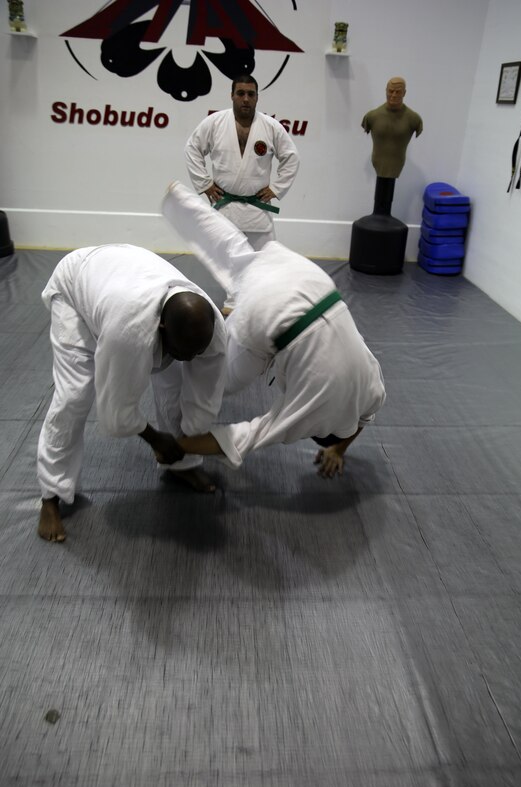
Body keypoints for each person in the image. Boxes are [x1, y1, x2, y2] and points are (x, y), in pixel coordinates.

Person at [162, 182, 386, 477]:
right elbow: (247, 437)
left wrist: (339, 449)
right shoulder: (310, 416)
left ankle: (179, 199)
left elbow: (361, 421)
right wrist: (179, 445)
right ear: (321, 430)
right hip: (268, 314)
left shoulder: (373, 389)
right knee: (217, 379)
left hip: (304, 276)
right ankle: (183, 439)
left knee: (237, 255)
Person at [37, 244, 227, 543]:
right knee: (73, 396)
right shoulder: (129, 333)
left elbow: (205, 392)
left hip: (121, 272)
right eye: (182, 349)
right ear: (161, 328)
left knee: (176, 383)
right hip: (76, 286)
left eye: (197, 350)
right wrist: (156, 438)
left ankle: (180, 465)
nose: (190, 358)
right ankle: (50, 496)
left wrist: (191, 440)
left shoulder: (211, 329)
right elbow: (114, 413)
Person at [184, 73, 300, 314]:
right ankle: (234, 301)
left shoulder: (270, 127)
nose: (245, 99)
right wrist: (204, 183)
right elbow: (192, 148)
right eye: (241, 94)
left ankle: (264, 302)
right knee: (231, 260)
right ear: (232, 96)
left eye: (250, 94)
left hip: (257, 206)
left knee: (266, 260)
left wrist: (276, 188)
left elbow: (291, 157)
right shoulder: (215, 123)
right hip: (226, 204)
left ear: (257, 98)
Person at [361, 77, 423, 179]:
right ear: (386, 91)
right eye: (391, 91)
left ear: (404, 93)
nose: (394, 95)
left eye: (398, 92)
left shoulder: (414, 119)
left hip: (397, 164)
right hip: (377, 162)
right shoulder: (372, 116)